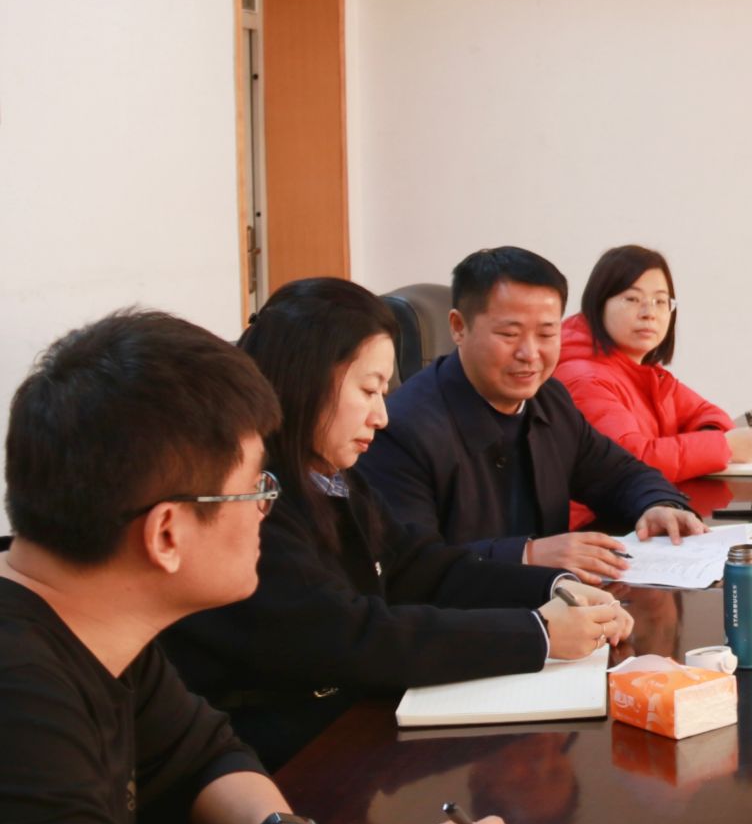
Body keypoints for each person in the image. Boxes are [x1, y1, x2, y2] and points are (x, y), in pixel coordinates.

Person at [0, 309, 516, 824]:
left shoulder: (91, 621)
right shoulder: (21, 701)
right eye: (257, 489)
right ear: (166, 534)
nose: (267, 512)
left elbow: (201, 753)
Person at [162, 279, 633, 772]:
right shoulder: (251, 498)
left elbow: (417, 565)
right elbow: (350, 635)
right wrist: (537, 633)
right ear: (306, 381)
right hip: (277, 758)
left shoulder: (329, 474)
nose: (382, 416)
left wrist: (555, 587)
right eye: (369, 391)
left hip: (346, 728)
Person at [359, 247, 704, 584]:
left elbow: (619, 474)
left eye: (546, 333)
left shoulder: (549, 400)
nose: (530, 353)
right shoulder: (400, 428)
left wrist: (658, 503)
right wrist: (528, 555)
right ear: (458, 327)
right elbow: (411, 568)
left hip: (557, 607)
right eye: (509, 334)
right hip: (469, 617)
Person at [556, 245, 752, 520]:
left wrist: (708, 440)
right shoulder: (584, 378)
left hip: (637, 514)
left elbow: (708, 414)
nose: (649, 312)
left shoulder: (644, 372)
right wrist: (723, 447)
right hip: (594, 527)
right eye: (632, 299)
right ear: (598, 304)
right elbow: (628, 466)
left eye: (660, 301)